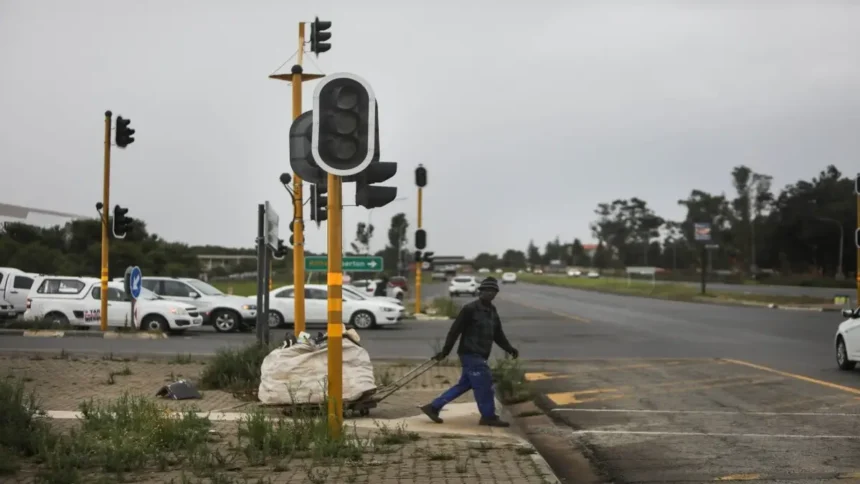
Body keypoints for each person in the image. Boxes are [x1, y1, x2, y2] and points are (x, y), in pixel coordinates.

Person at [420, 277, 518, 427]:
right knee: (484, 384)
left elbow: (497, 333)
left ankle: (433, 407)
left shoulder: (492, 310)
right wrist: (445, 351)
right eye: (487, 291)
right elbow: (454, 331)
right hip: (470, 353)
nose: (491, 294)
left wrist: (509, 348)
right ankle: (488, 416)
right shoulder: (470, 309)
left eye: (493, 291)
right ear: (480, 292)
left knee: (464, 385)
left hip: (480, 354)